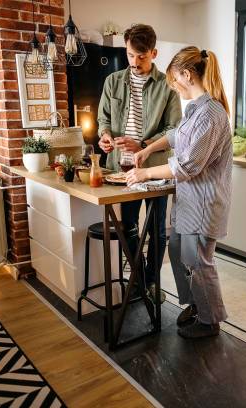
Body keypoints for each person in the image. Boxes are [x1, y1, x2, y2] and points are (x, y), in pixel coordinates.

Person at [126, 46, 232, 339]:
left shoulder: (212, 113)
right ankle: (197, 305)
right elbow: (175, 136)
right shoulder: (194, 109)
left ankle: (210, 321)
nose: (173, 86)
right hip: (189, 203)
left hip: (205, 203)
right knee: (176, 251)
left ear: (186, 75)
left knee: (199, 262)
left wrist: (145, 173)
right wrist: (148, 148)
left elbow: (187, 166)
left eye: (174, 80)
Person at [97, 24, 182, 303]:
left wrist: (143, 145)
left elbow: (174, 129)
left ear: (153, 53)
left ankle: (153, 281)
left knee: (157, 229)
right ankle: (140, 279)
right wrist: (105, 137)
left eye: (141, 57)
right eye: (130, 55)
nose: (134, 62)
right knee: (129, 226)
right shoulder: (113, 82)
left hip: (155, 168)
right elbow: (103, 120)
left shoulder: (168, 87)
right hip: (120, 169)